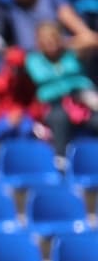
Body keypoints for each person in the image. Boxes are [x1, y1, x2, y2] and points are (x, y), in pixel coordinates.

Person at [26, 21, 98, 159]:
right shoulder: (33, 60)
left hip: (81, 100)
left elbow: (91, 40)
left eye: (53, 37)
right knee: (59, 118)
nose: (49, 42)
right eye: (45, 39)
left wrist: (68, 43)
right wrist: (67, 88)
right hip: (53, 104)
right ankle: (60, 158)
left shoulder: (73, 54)